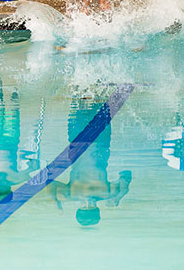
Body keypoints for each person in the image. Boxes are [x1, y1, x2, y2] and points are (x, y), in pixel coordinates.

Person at [48, 91, 132, 226]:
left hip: (77, 142)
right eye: (91, 207)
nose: (88, 202)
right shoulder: (107, 193)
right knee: (100, 101)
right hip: (101, 141)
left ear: (79, 207)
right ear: (98, 208)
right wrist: (119, 196)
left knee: (78, 99)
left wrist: (55, 200)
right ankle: (98, 80)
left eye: (85, 206)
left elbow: (48, 182)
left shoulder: (71, 194)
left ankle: (80, 81)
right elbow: (126, 175)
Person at [0, 78, 39, 203]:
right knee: (11, 115)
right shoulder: (16, 179)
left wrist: (31, 163)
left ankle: (0, 95)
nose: (1, 182)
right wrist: (30, 161)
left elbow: (33, 166)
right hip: (8, 143)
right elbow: (33, 166)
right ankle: (13, 95)